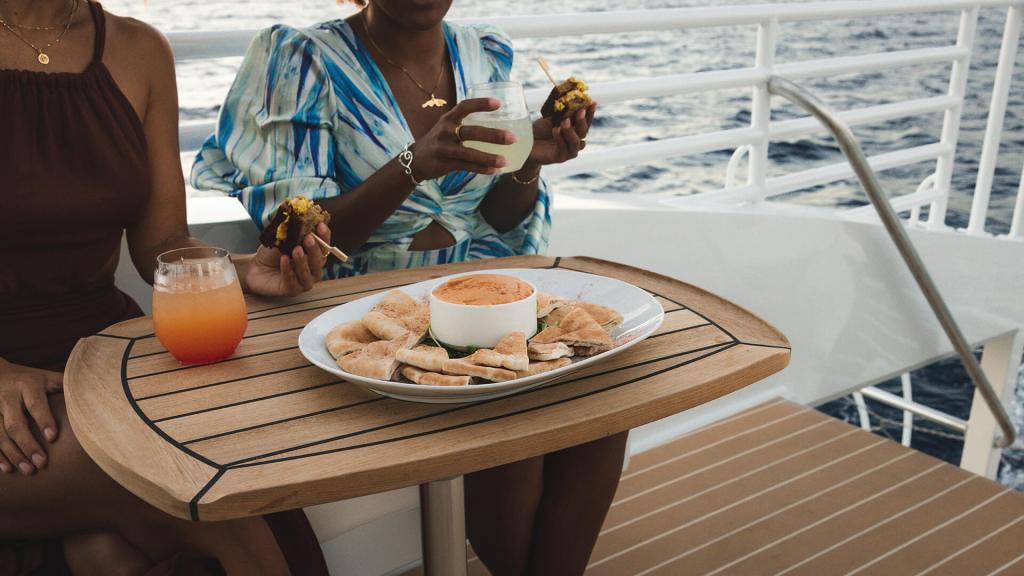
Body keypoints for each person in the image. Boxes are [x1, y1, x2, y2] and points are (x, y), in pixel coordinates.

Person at [191, 1, 627, 574]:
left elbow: (499, 220)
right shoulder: (301, 59)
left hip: (472, 297)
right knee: (512, 414)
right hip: (367, 316)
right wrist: (411, 165)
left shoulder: (484, 51)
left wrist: (531, 162)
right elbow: (294, 232)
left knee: (602, 404)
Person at [0, 1, 332, 574]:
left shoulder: (139, 51)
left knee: (106, 552)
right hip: (13, 385)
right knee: (194, 491)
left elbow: (162, 243)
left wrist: (243, 267)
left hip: (107, 362)